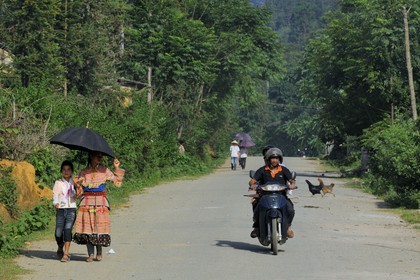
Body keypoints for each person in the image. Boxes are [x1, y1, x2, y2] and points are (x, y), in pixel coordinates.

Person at [73, 152, 125, 262]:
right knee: (88, 228)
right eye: (97, 157)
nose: (99, 159)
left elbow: (117, 182)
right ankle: (90, 254)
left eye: (101, 157)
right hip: (87, 202)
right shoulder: (84, 172)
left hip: (101, 202)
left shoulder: (105, 170)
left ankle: (99, 253)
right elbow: (79, 191)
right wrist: (77, 185)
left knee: (98, 227)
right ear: (91, 157)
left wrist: (116, 167)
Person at [248, 147, 296, 239]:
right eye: (273, 158)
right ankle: (257, 227)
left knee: (290, 210)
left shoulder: (284, 170)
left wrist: (292, 185)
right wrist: (252, 184)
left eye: (277, 158)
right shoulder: (262, 170)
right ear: (268, 159)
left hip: (281, 196)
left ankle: (288, 228)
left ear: (280, 160)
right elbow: (253, 180)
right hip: (264, 196)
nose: (274, 160)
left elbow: (291, 180)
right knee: (256, 206)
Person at [53, 160, 79, 262]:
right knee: (58, 233)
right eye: (64, 169)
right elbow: (55, 194)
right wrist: (55, 203)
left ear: (72, 171)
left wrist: (77, 189)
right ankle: (60, 245)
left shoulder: (75, 182)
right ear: (61, 171)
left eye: (68, 169)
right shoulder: (58, 182)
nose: (66, 172)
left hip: (71, 208)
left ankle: (66, 253)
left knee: (68, 230)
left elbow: (79, 193)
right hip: (61, 209)